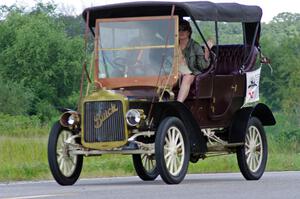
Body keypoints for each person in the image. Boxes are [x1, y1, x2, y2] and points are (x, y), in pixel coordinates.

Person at [177, 19, 213, 102]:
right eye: (179, 29)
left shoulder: (195, 46)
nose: (181, 32)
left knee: (187, 77)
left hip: (191, 71)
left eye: (184, 29)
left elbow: (203, 66)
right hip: (175, 71)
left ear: (189, 32)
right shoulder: (173, 45)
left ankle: (178, 104)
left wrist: (207, 51)